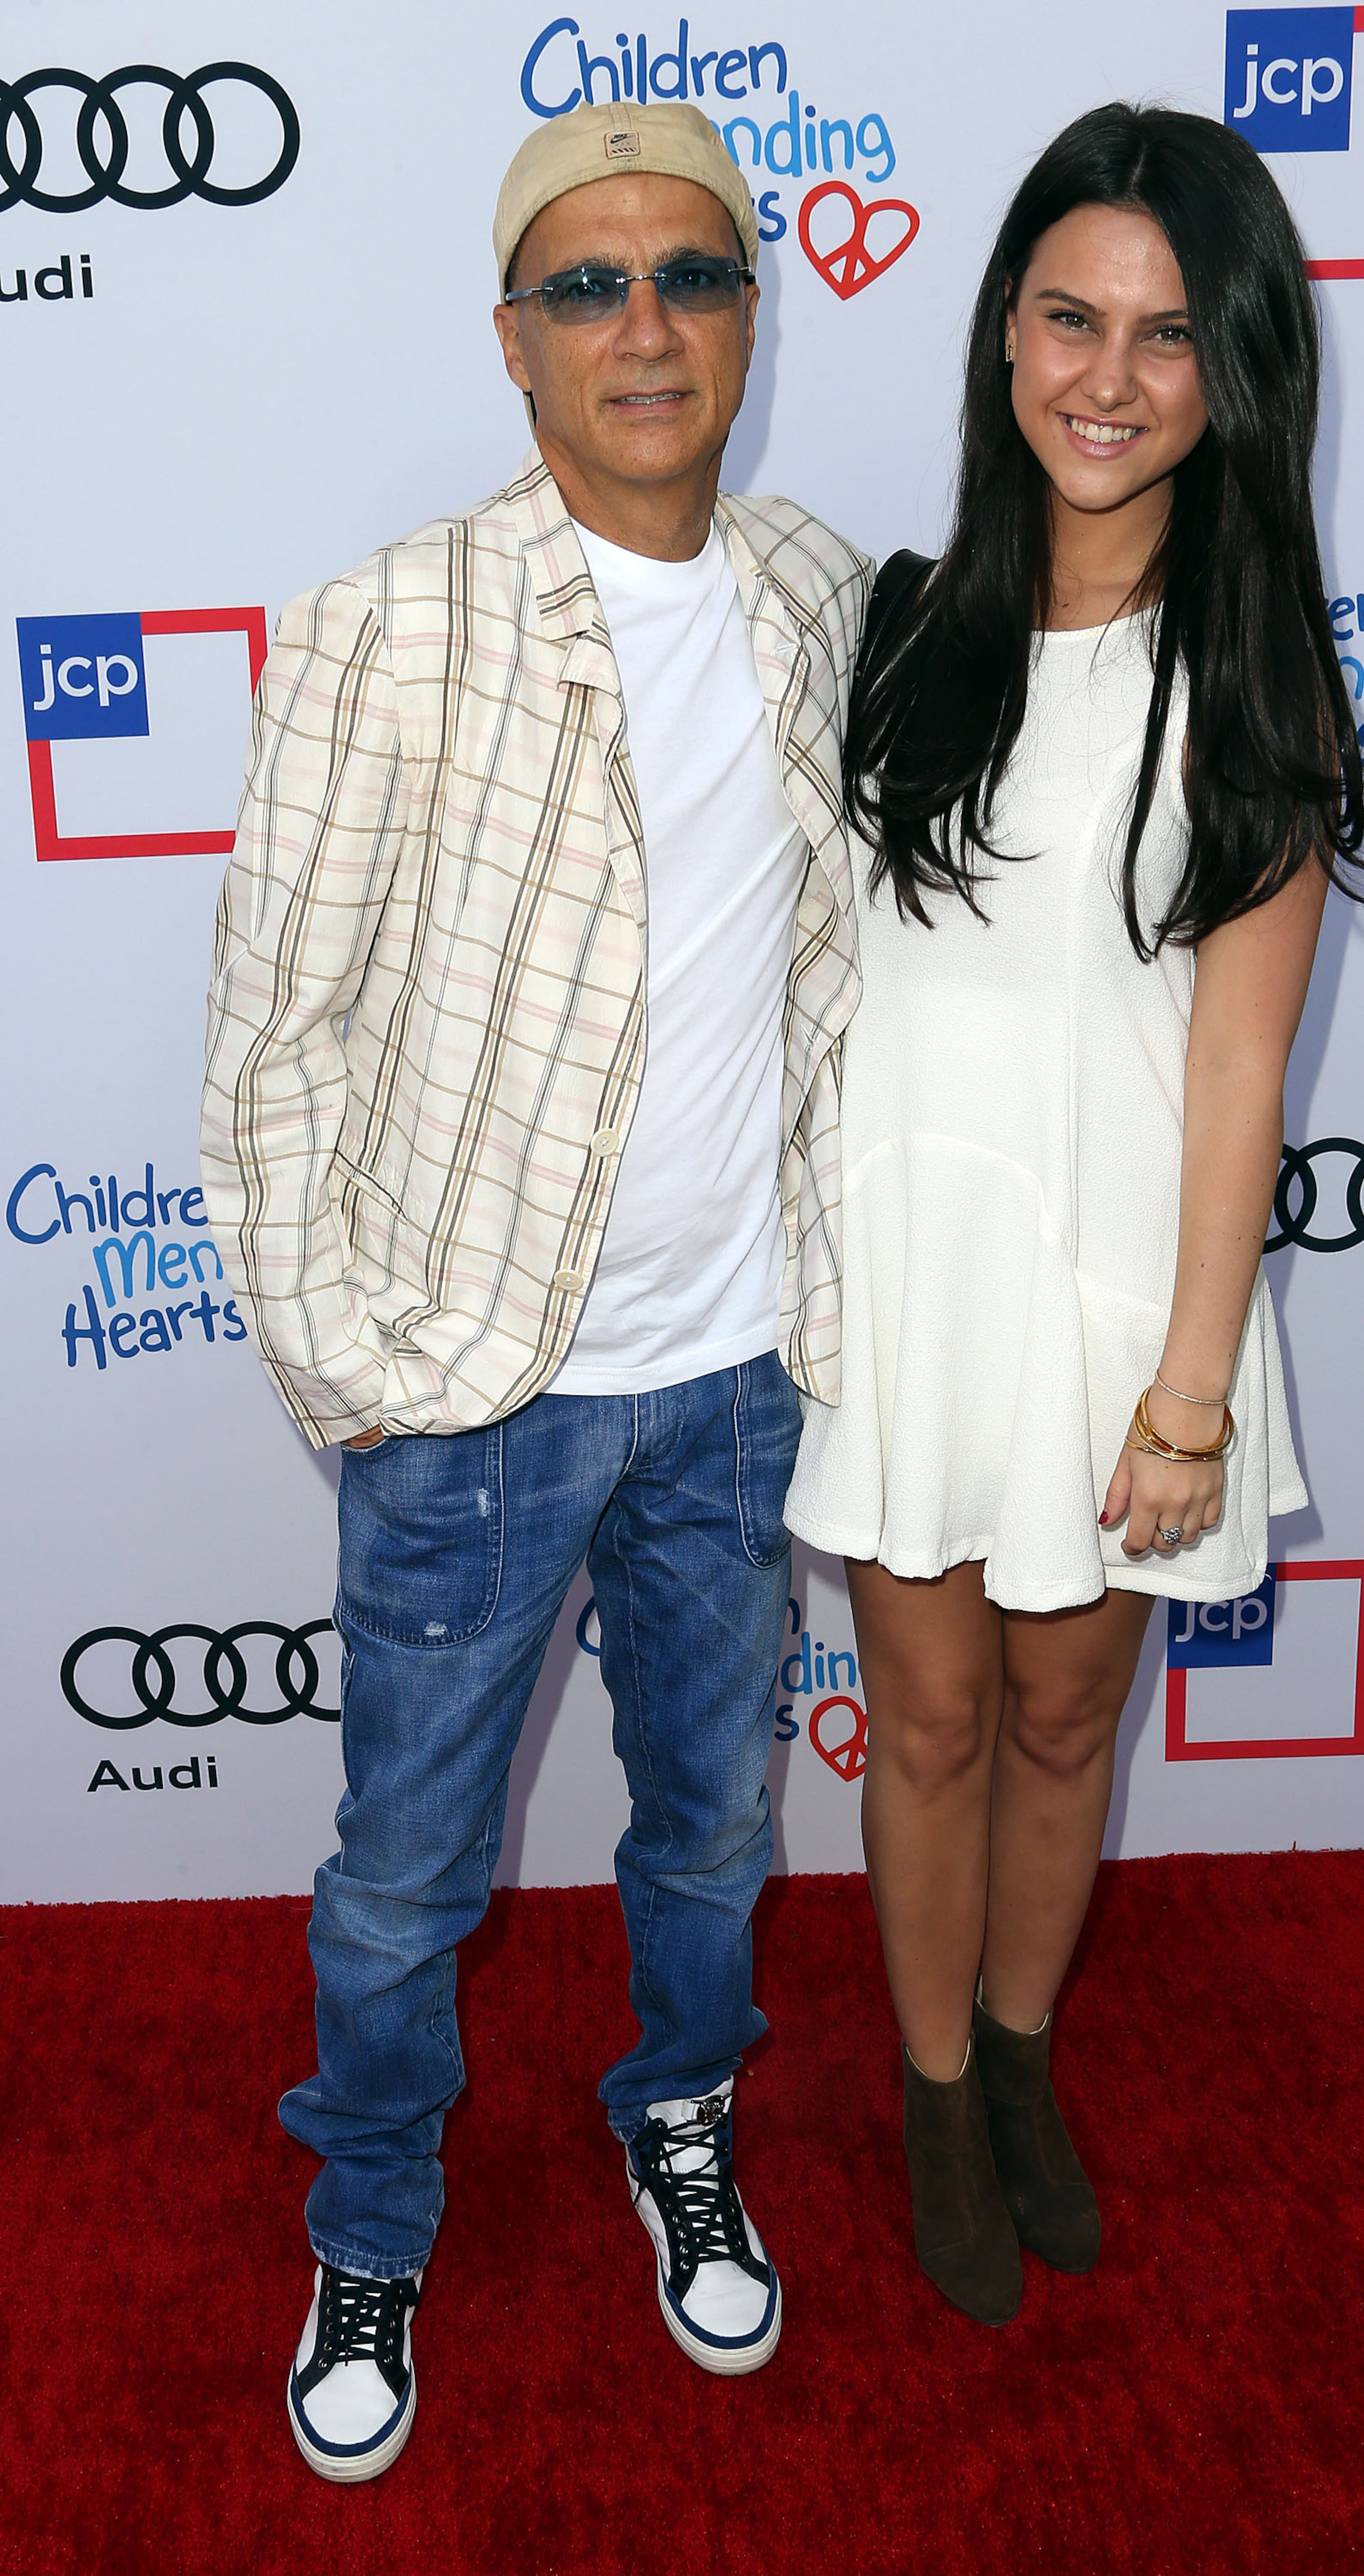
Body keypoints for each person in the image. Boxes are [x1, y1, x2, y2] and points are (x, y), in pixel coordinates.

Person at [202, 99, 869, 2478]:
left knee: (708, 1830)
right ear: (513, 338)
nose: (644, 325)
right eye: (589, 285)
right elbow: (269, 1043)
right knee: (405, 1879)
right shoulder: (389, 623)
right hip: (473, 1398)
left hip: (740, 1379)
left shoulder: (820, 592)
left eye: (691, 275)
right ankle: (372, 2214)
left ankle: (678, 2107)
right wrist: (356, 1372)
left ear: (751, 318)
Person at [785, 102, 1364, 2326]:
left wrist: (1193, 1394)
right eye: (1067, 317)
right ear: (1003, 332)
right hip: (917, 1287)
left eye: (1167, 333)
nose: (1107, 378)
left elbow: (1238, 1072)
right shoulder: (890, 628)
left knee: (1060, 1722)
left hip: (1130, 1300)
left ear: (1237, 370)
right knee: (928, 1720)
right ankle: (935, 2086)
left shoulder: (1260, 677)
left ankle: (1021, 2054)